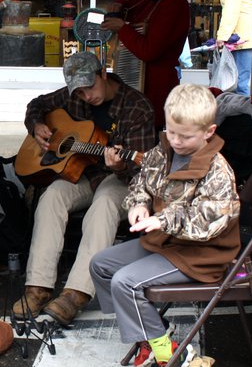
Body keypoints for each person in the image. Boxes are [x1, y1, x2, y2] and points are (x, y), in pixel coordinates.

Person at [90, 84, 240, 367]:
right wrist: (138, 207)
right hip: (165, 242)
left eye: (185, 136)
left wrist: (163, 218)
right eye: (171, 132)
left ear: (209, 131)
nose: (176, 141)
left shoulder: (218, 171)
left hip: (201, 254)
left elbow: (208, 221)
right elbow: (140, 185)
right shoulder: (162, 152)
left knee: (125, 282)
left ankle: (169, 355)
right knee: (101, 265)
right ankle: (151, 337)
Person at [12, 51, 155, 326]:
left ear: (103, 74)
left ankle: (76, 293)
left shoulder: (137, 108)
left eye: (90, 87)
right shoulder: (72, 97)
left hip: (122, 178)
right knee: (52, 196)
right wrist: (37, 125)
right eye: (79, 92)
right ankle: (38, 287)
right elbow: (37, 104)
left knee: (104, 205)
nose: (87, 97)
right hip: (82, 173)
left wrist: (119, 166)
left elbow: (144, 172)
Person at [101, 0, 190, 130]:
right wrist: (117, 5)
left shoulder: (174, 5)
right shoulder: (149, 0)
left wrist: (123, 28)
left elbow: (150, 51)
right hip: (138, 85)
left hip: (157, 88)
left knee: (151, 137)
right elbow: (128, 4)